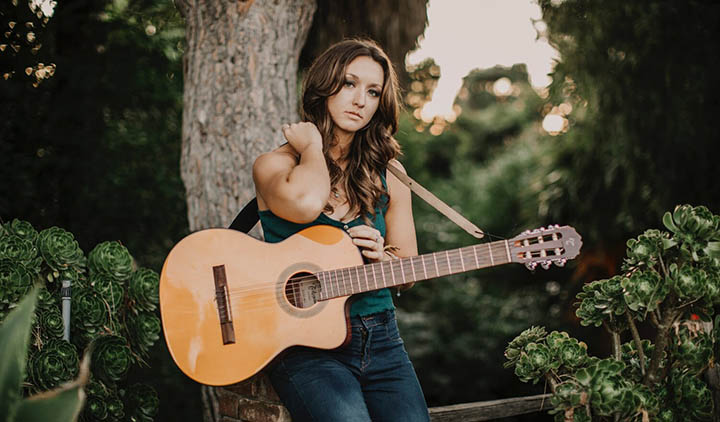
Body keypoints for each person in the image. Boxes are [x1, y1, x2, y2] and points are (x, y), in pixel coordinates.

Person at [252, 38, 430, 422]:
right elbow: (305, 203)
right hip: (304, 345)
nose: (360, 100)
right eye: (349, 83)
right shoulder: (273, 166)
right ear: (324, 85)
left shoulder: (392, 175)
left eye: (373, 91)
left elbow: (408, 269)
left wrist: (383, 259)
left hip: (382, 339)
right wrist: (313, 147)